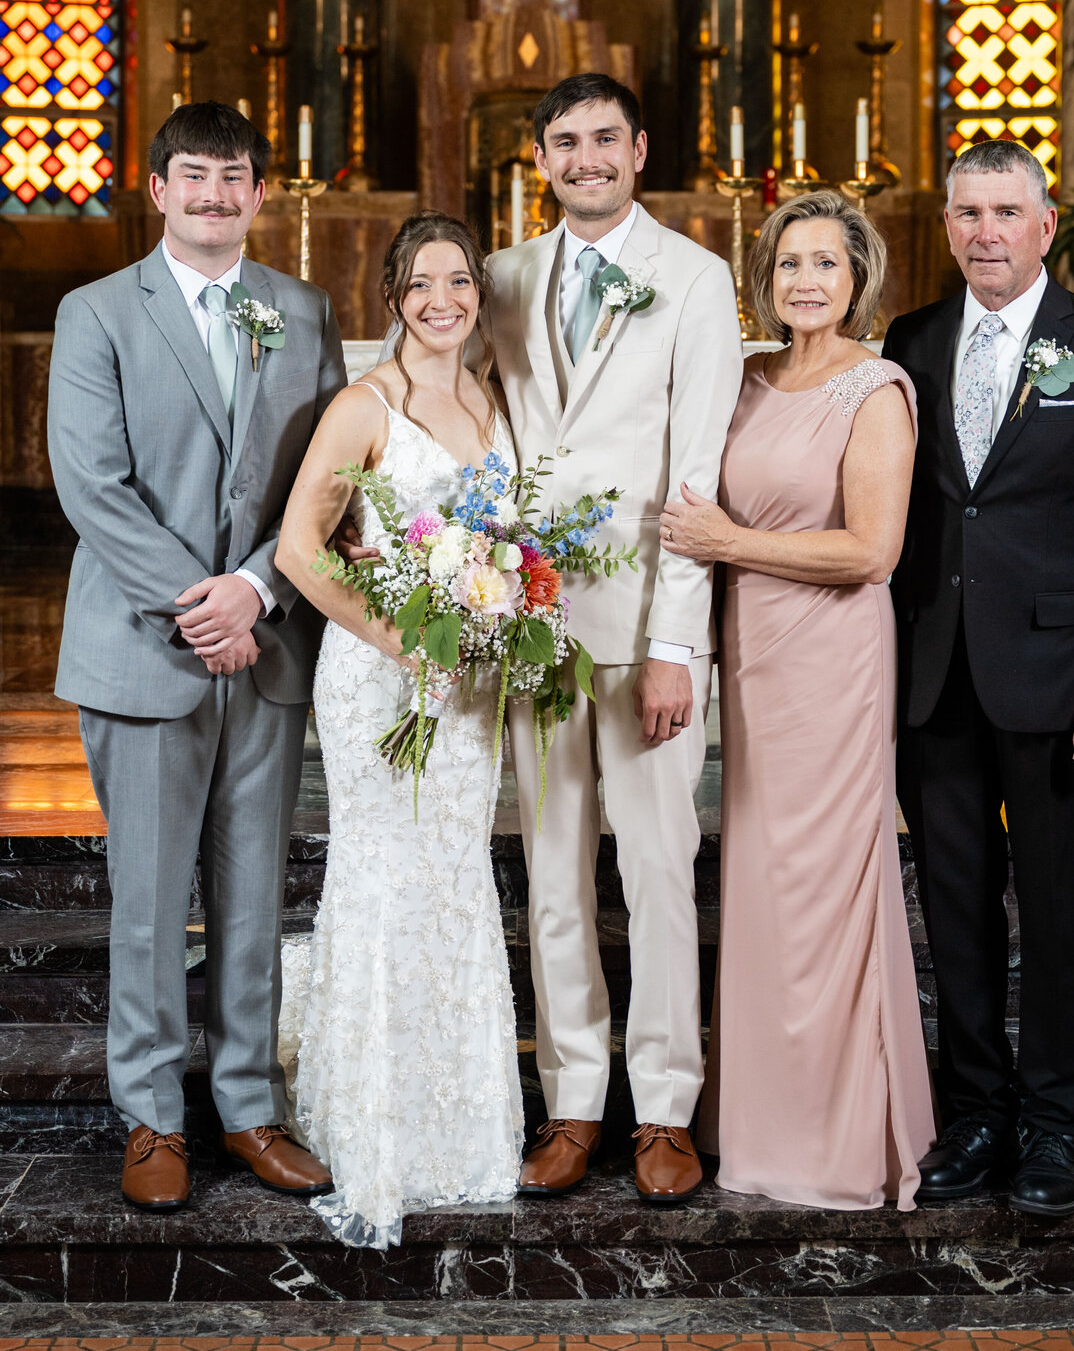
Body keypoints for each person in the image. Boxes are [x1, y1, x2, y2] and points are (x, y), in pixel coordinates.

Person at [47, 102, 345, 1213]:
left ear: (262, 196)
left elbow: (324, 478)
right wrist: (197, 605)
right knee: (150, 894)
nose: (216, 195)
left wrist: (258, 589)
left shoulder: (302, 311)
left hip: (264, 645)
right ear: (158, 189)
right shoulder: (95, 314)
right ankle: (151, 1118)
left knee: (254, 892)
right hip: (144, 649)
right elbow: (92, 484)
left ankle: (250, 1107)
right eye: (195, 176)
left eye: (236, 179)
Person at [883, 137, 1074, 1218]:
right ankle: (976, 1114)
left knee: (1057, 910)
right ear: (949, 225)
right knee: (953, 907)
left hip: (1059, 681)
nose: (986, 233)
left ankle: (1057, 1122)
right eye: (967, 214)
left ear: (1046, 225)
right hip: (933, 676)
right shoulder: (909, 342)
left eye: (1006, 212)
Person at [487, 72, 744, 1203]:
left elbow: (698, 473)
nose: (584, 158)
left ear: (639, 150)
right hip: (535, 629)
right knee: (550, 875)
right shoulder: (502, 278)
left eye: (603, 139)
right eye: (563, 142)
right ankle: (576, 1104)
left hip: (646, 627)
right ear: (540, 159)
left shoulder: (694, 278)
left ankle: (668, 1111)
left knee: (655, 870)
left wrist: (679, 645)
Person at [662, 190, 936, 1209]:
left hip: (833, 664)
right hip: (753, 665)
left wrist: (731, 545)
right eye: (788, 265)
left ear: (858, 279)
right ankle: (754, 1122)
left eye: (826, 263)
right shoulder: (740, 380)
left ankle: (834, 1139)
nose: (806, 281)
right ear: (764, 281)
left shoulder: (877, 390)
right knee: (763, 889)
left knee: (822, 893)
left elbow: (872, 550)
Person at [275, 212, 523, 1249]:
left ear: (478, 292)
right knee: (382, 877)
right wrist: (399, 638)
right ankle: (375, 1124)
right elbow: (300, 549)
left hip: (468, 684)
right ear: (394, 296)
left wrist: (507, 607)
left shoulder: (495, 397)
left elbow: (512, 536)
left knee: (455, 877)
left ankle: (459, 1128)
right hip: (383, 679)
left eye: (458, 280)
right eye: (419, 283)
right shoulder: (364, 405)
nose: (441, 300)